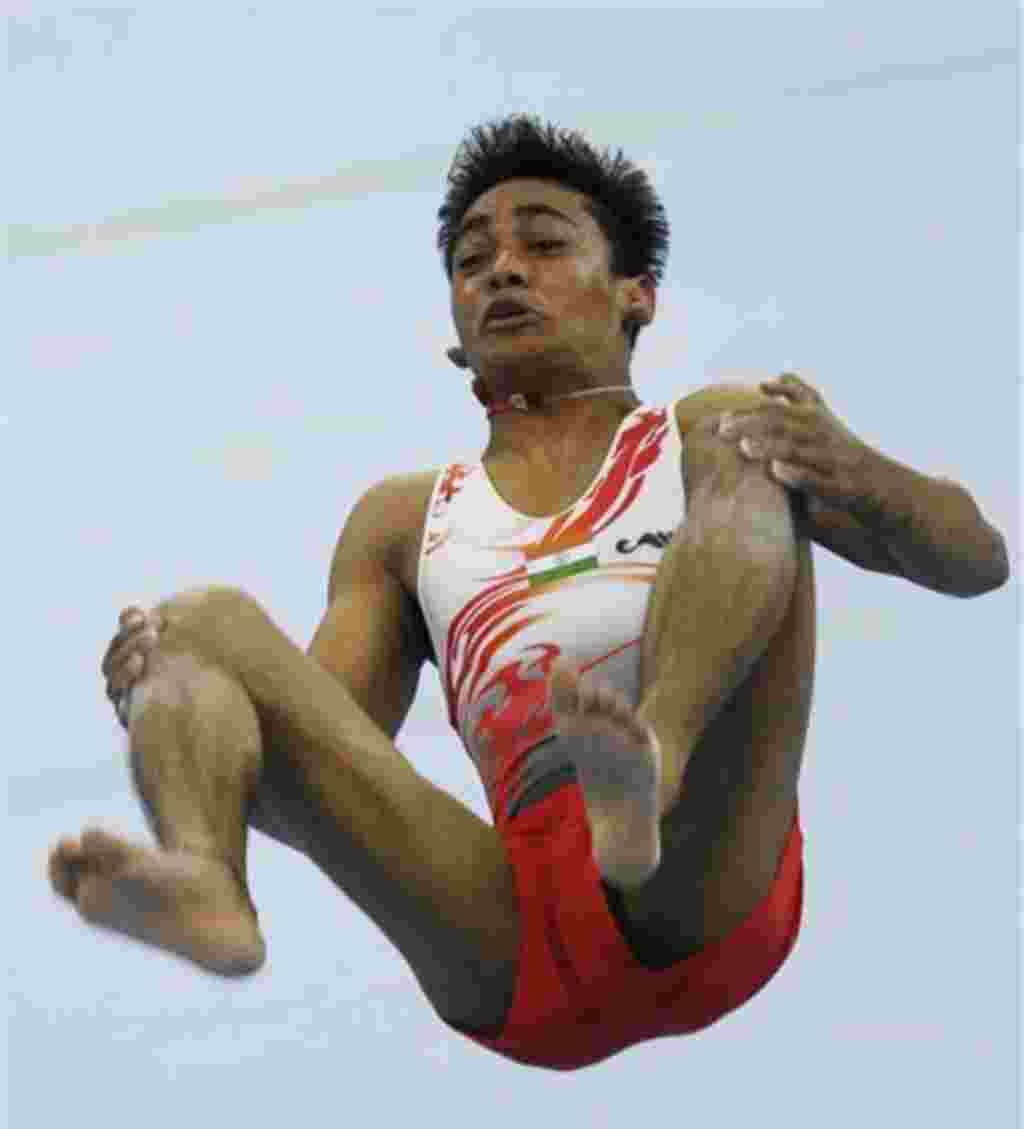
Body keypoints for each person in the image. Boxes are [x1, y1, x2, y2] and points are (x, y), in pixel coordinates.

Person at [49, 116, 1009, 1071]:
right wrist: (177, 703)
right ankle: (211, 883)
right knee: (192, 624)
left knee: (746, 432)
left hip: (705, 874)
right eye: (475, 262)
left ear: (638, 293)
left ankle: (655, 759)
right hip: (507, 935)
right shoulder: (403, 521)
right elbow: (315, 746)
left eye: (545, 244)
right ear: (457, 340)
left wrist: (856, 470)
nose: (503, 270)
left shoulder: (694, 436)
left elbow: (975, 560)